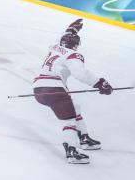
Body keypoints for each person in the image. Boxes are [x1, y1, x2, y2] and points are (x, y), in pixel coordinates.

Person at [33, 19, 112, 164]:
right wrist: (100, 83)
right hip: (54, 89)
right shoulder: (73, 55)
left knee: (75, 107)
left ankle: (84, 138)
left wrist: (71, 29)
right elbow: (81, 74)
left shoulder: (55, 46)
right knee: (68, 121)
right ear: (75, 45)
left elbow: (64, 36)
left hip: (38, 89)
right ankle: (71, 152)